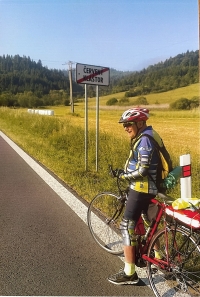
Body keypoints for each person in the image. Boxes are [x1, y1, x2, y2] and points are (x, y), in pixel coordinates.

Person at [107, 107, 164, 285]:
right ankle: (159, 256)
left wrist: (123, 176)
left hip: (141, 187)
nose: (125, 127)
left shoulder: (144, 141)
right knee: (149, 222)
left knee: (126, 226)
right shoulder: (150, 134)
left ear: (140, 123)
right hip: (151, 187)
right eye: (124, 125)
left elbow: (143, 170)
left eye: (128, 124)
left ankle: (129, 272)